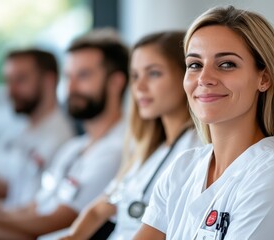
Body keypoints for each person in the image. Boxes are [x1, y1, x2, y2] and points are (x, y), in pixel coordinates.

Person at [135, 6, 274, 240]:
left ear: (264, 78)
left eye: (226, 64)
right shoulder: (182, 169)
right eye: (195, 65)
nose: (204, 78)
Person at [59, 31, 202, 240]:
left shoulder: (196, 149)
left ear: (186, 76)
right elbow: (101, 208)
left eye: (153, 73)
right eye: (135, 76)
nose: (139, 87)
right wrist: (72, 237)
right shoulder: (148, 149)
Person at [0, 28, 129, 239]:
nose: (71, 87)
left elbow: (56, 222)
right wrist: (0, 213)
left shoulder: (118, 149)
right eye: (68, 76)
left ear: (116, 82)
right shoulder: (75, 147)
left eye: (83, 75)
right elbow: (35, 207)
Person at [0, 49, 75, 209]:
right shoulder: (15, 131)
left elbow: (37, 210)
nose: (11, 91)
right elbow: (2, 184)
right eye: (8, 80)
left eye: (20, 80)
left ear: (49, 80)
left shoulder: (62, 140)